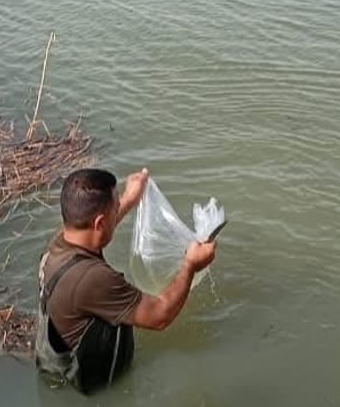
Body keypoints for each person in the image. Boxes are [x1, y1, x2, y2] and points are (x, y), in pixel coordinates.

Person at [34, 167, 217, 394]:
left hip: (56, 366)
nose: (119, 209)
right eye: (116, 208)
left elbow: (97, 231)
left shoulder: (59, 244)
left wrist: (130, 199)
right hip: (91, 384)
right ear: (99, 223)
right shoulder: (93, 279)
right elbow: (160, 316)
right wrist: (191, 265)